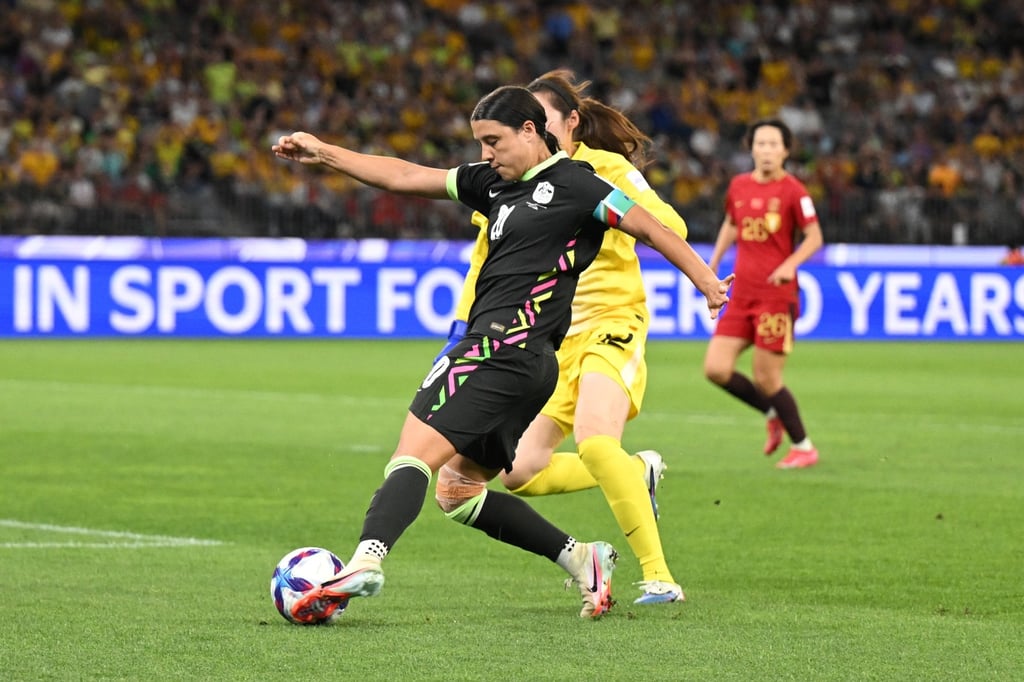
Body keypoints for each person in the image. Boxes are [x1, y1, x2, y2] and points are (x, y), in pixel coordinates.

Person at [271, 85, 733, 621]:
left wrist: (705, 279)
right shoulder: (491, 184)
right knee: (459, 490)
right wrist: (325, 153)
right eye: (480, 143)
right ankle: (583, 560)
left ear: (531, 131)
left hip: (500, 349)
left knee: (411, 452)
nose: (486, 153)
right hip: (532, 365)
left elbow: (650, 228)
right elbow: (402, 175)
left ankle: (366, 560)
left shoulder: (581, 186)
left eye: (494, 141)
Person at [434, 70, 694, 605]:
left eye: (543, 123)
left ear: (569, 123)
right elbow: (487, 261)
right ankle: (635, 471)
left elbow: (671, 225)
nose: (533, 136)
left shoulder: (607, 170)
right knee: (520, 472)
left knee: (597, 442)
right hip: (548, 342)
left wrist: (625, 210)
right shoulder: (512, 185)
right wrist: (461, 329)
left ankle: (659, 575)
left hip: (611, 324)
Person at [704, 118, 823, 469]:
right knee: (715, 368)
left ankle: (803, 446)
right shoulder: (739, 186)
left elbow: (814, 237)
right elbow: (731, 223)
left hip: (776, 296)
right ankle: (772, 412)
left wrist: (791, 264)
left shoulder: (794, 191)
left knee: (766, 376)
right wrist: (711, 264)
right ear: (751, 148)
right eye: (761, 143)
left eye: (774, 144)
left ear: (786, 150)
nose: (767, 150)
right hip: (742, 294)